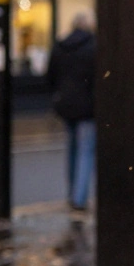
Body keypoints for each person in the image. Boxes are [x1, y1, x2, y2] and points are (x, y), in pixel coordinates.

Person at [46, 12, 97, 212]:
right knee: (86, 151)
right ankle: (79, 198)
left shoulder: (60, 45)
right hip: (87, 107)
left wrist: (57, 96)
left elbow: (50, 76)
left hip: (65, 105)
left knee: (73, 148)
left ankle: (72, 193)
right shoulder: (94, 46)